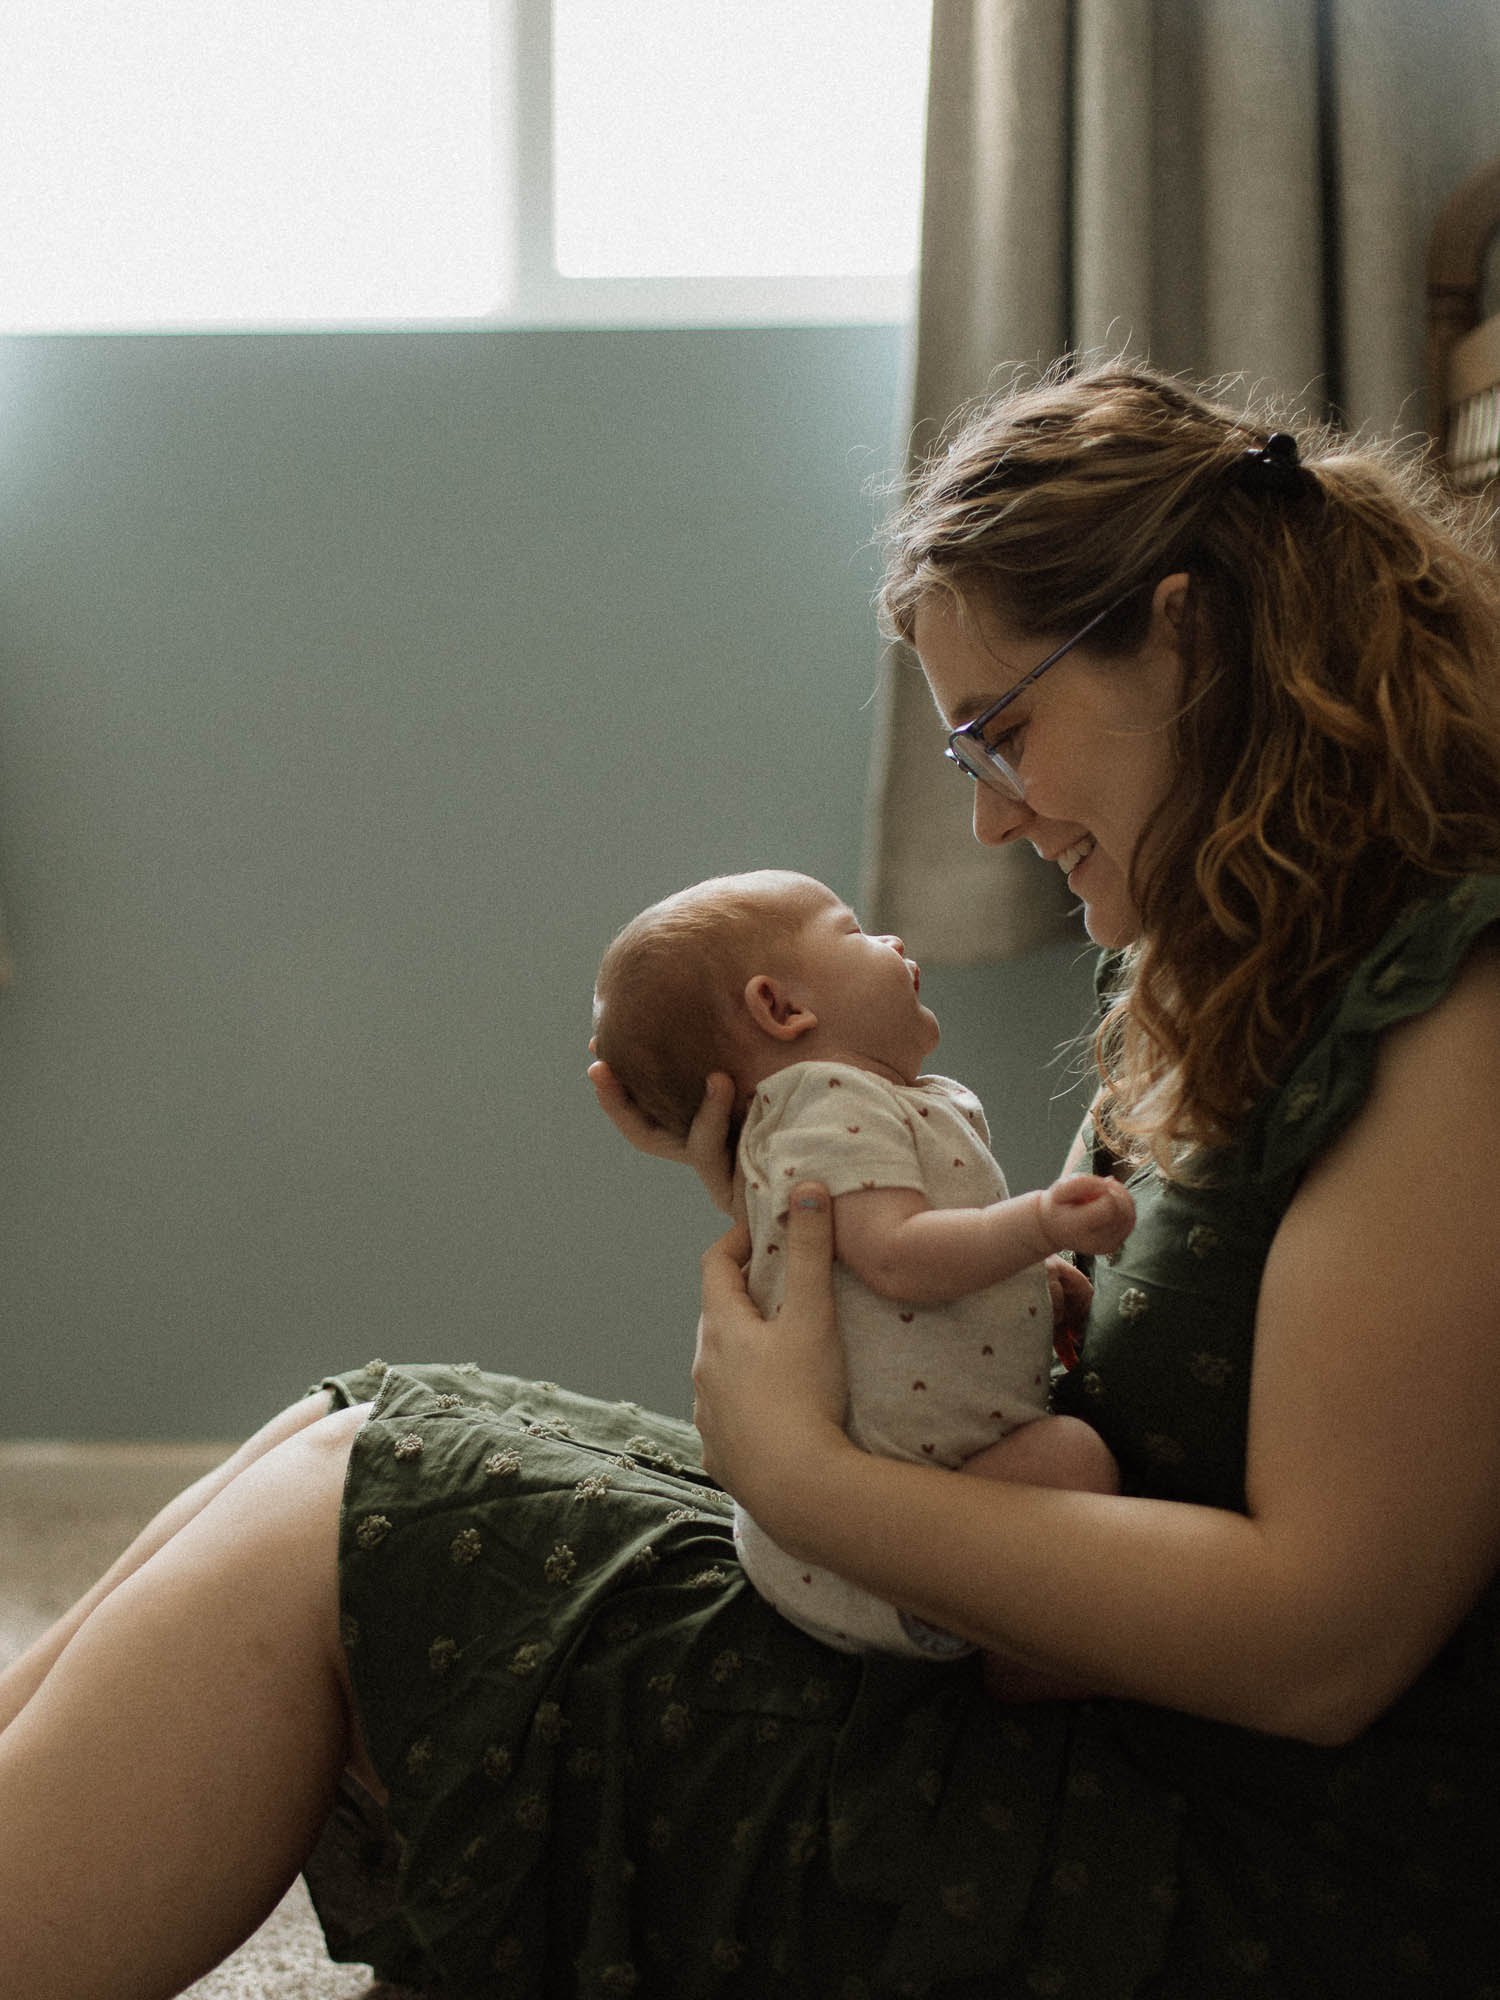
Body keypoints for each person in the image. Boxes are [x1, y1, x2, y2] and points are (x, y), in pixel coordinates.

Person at [2, 360, 1499, 1999]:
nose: (995, 822)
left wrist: (802, 1475)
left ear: (1187, 633)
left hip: (1259, 1869)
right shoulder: (1210, 957)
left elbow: (1324, 1646)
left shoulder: (1454, 1008)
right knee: (352, 1422)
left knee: (358, 1529)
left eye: (1003, 735)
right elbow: (1020, 1328)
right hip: (1061, 1675)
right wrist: (798, 1183)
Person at [592, 866, 1131, 1658]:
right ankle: (1036, 1664)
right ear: (781, 1008)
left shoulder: (837, 1111)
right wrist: (1037, 1224)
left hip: (874, 1519)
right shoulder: (828, 1102)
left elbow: (876, 1286)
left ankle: (1026, 1657)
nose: (892, 940)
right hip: (871, 1555)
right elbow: (899, 1259)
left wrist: (1022, 1284)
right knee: (1074, 1463)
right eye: (855, 932)